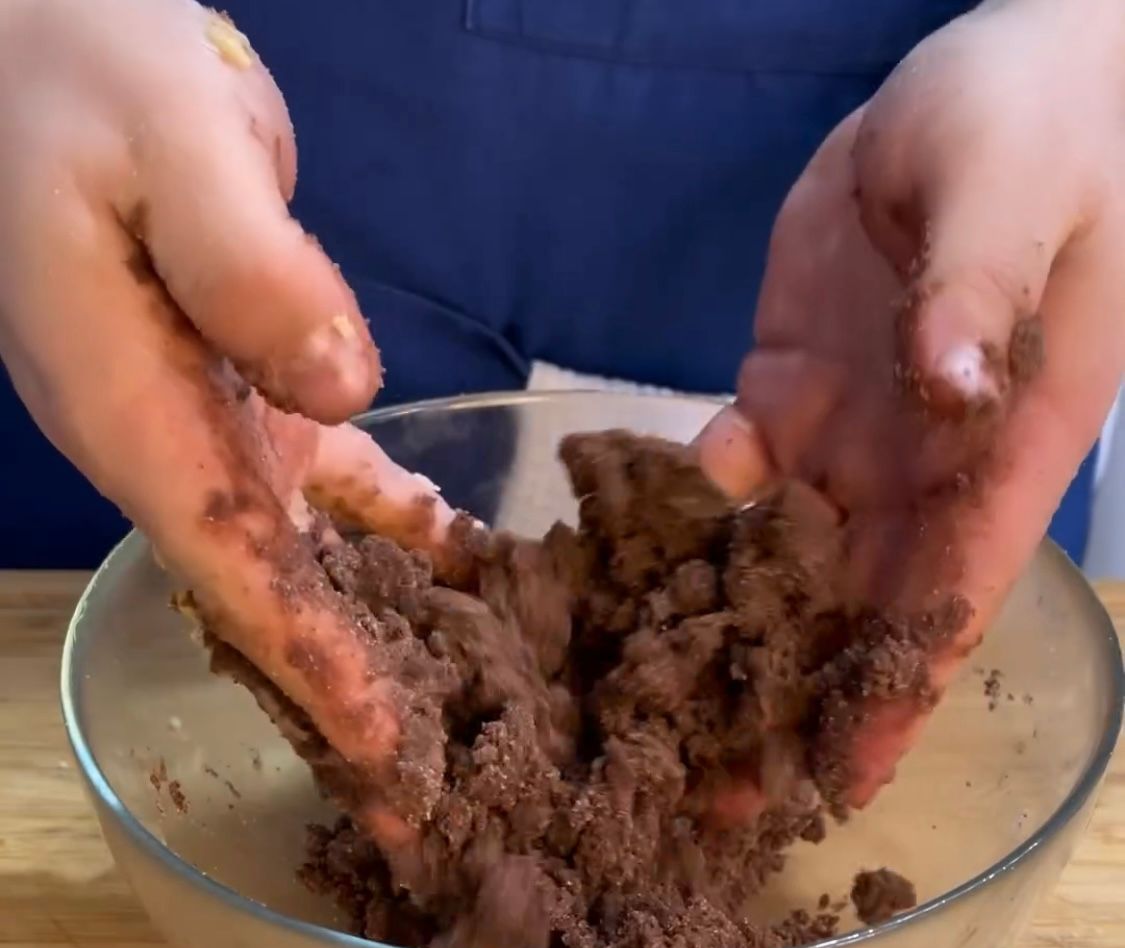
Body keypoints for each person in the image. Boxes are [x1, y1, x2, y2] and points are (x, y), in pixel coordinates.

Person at [0, 0, 1120, 830]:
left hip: (908, 186)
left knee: (898, 635)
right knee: (204, 591)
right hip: (198, 104)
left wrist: (1093, 47)